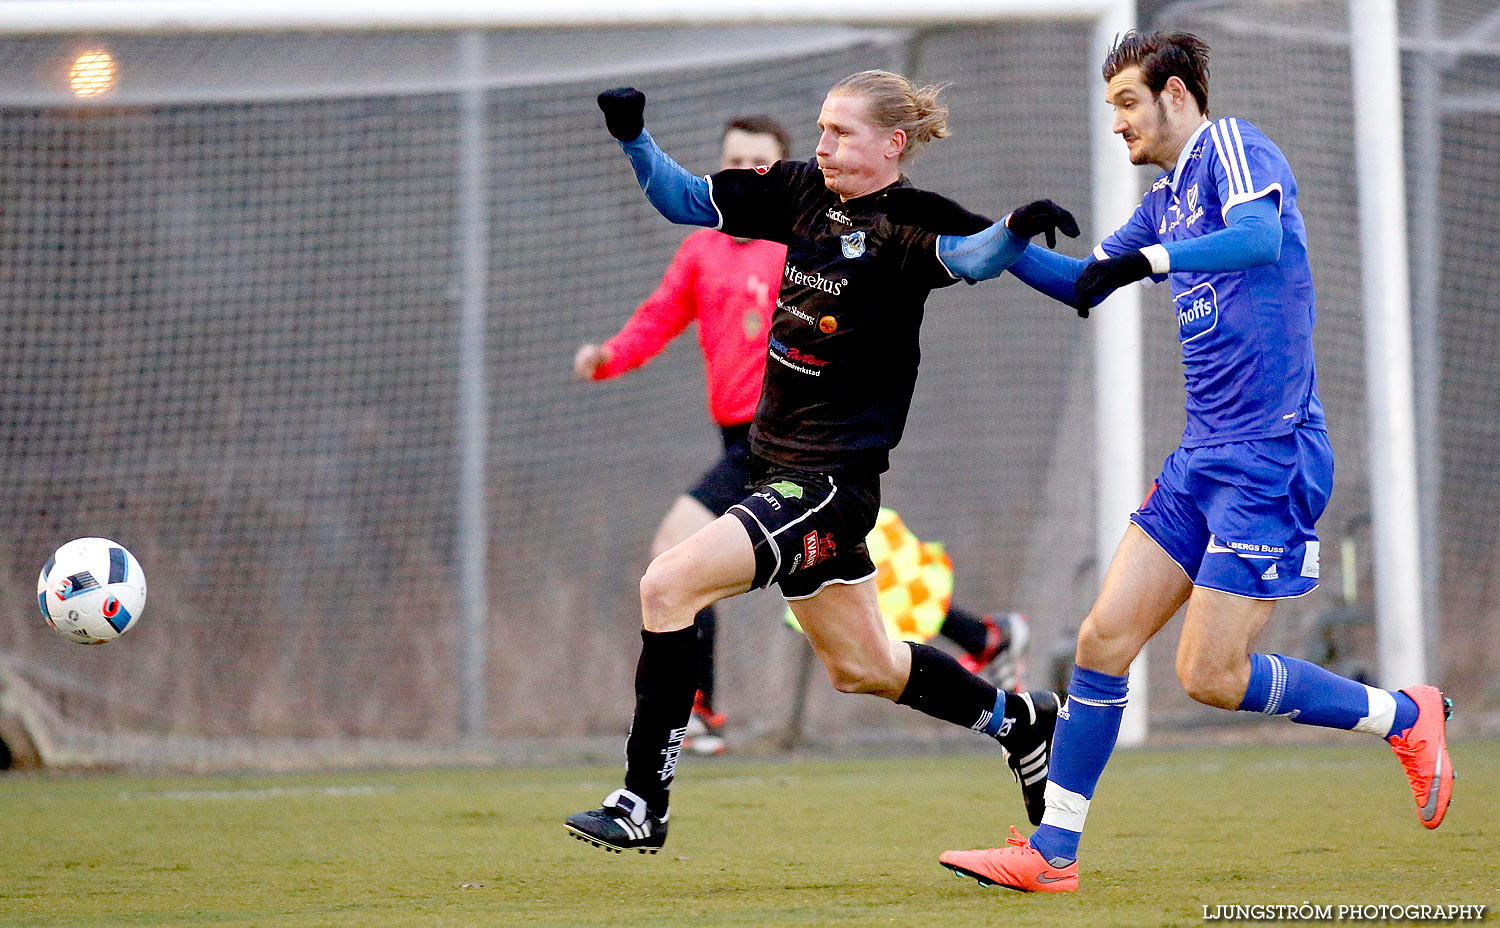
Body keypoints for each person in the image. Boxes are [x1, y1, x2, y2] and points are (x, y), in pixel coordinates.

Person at [936, 31, 1454, 894]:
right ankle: (1052, 854)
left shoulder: (1233, 147)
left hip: (1270, 456)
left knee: (1208, 677)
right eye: (1112, 110)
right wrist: (1000, 239)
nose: (1118, 124)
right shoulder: (1167, 199)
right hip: (1200, 460)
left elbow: (1255, 238)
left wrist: (1155, 258)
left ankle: (1404, 715)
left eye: (1128, 104)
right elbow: (1085, 284)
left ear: (1176, 95)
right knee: (1102, 641)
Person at [565, 71, 1079, 854]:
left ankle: (643, 802)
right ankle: (1021, 722)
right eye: (822, 128)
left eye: (841, 131)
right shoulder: (797, 191)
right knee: (864, 666)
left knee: (666, 583)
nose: (824, 144)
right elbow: (682, 201)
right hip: (781, 473)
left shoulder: (911, 220)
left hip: (828, 484)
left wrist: (1013, 226)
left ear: (891, 144)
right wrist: (634, 139)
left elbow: (974, 258)